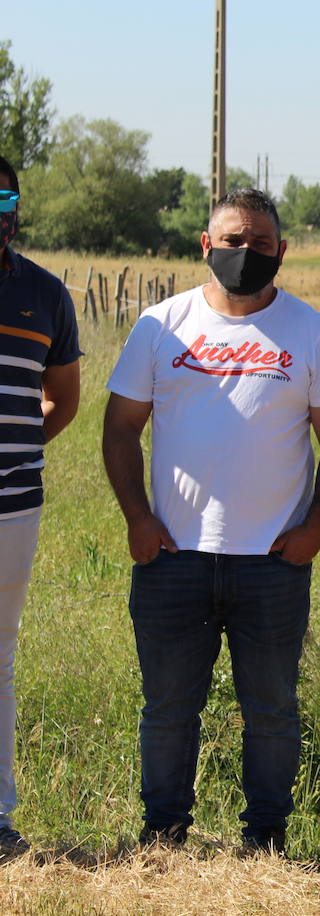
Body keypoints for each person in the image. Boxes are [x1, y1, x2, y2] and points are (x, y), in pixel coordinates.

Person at [102, 188, 320, 851]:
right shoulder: (161, 325)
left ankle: (265, 840)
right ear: (206, 246)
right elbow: (121, 429)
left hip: (272, 564)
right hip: (172, 557)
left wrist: (313, 534)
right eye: (235, 242)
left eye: (263, 245)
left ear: (282, 252)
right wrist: (138, 518)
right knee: (167, 709)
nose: (248, 254)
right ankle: (163, 836)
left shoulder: (311, 332)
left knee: (271, 711)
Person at [0, 154, 81, 851]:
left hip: (12, 504)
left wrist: (20, 446)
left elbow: (63, 400)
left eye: (2, 196)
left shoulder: (45, 294)